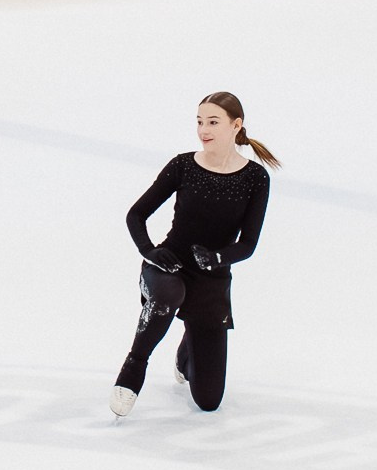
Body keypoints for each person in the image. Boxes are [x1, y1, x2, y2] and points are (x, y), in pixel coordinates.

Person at [110, 93, 276, 418]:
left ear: (236, 125)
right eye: (199, 122)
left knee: (208, 401)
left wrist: (217, 258)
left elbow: (248, 244)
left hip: (211, 281)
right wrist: (150, 251)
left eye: (213, 122)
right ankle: (134, 367)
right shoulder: (183, 165)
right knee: (168, 295)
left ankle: (188, 347)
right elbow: (136, 215)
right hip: (168, 267)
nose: (203, 130)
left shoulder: (255, 178)